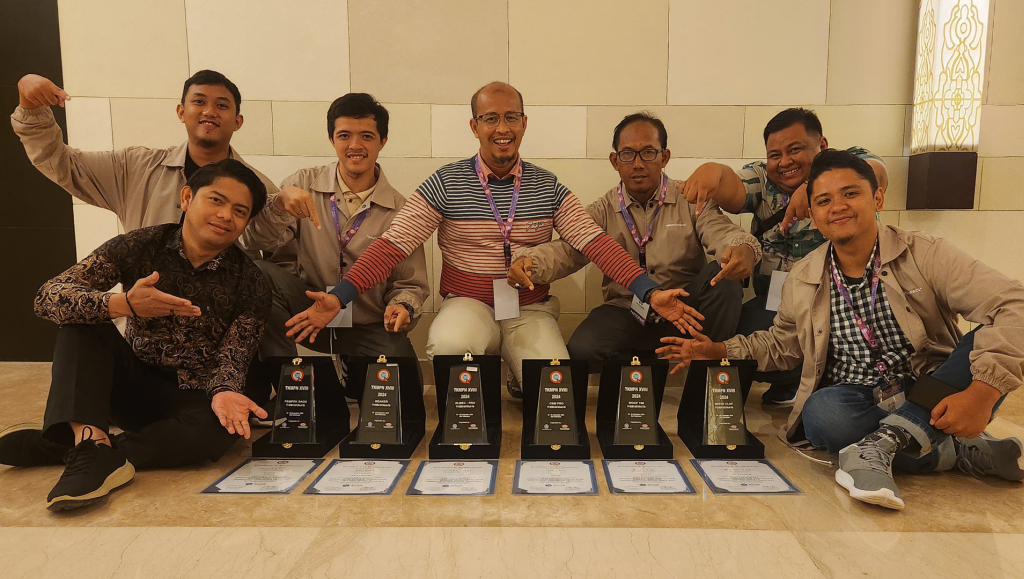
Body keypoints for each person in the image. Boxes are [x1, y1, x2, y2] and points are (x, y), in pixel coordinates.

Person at [658, 149, 1024, 511]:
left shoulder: (926, 253)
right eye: (823, 201)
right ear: (813, 214)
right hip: (860, 396)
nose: (837, 207)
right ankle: (952, 450)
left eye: (850, 194)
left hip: (933, 383)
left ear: (877, 198)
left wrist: (982, 393)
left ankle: (883, 444)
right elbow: (782, 344)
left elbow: (1018, 305)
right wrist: (718, 350)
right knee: (823, 417)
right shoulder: (804, 275)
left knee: (978, 346)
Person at [283, 82, 700, 398]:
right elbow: (393, 245)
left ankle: (520, 376)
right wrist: (340, 297)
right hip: (468, 302)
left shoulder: (547, 185)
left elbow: (595, 242)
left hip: (528, 307)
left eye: (511, 117)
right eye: (490, 118)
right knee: (450, 345)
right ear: (474, 126)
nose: (502, 128)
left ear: (524, 124)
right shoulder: (445, 182)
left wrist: (649, 291)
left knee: (553, 390)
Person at [0, 159, 272, 511]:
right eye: (216, 200)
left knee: (217, 432)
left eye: (239, 211)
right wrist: (121, 304)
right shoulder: (140, 246)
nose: (225, 215)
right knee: (80, 323)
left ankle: (84, 447)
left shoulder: (251, 280)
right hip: (134, 386)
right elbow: (48, 297)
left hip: (196, 396)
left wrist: (224, 391)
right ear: (187, 198)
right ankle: (90, 445)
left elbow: (235, 354)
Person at [509, 112, 760, 368]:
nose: (638, 164)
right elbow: (567, 250)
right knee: (583, 349)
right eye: (628, 154)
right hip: (627, 308)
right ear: (615, 161)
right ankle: (644, 375)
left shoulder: (689, 199)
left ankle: (707, 373)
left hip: (685, 308)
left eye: (648, 152)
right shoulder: (602, 210)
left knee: (724, 277)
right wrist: (530, 262)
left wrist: (742, 247)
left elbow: (721, 231)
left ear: (664, 157)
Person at [680, 108, 888, 404]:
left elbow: (875, 171)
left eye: (795, 150)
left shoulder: (847, 166)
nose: (785, 161)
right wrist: (713, 171)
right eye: (775, 155)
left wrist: (815, 186)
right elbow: (733, 188)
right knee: (738, 333)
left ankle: (829, 382)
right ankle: (786, 383)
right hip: (779, 304)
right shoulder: (763, 179)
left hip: (843, 303)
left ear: (822, 145)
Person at [240, 93, 429, 361]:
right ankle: (285, 374)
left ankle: (353, 368)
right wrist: (278, 205)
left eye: (366, 136)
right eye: (344, 136)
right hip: (307, 308)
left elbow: (409, 282)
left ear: (382, 141)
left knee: (404, 372)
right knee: (260, 272)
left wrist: (402, 306)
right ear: (332, 139)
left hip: (365, 324)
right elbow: (255, 242)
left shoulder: (401, 210)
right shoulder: (301, 185)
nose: (355, 145)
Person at [11, 70, 277, 230]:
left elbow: (279, 264)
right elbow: (62, 163)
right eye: (199, 102)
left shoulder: (261, 188)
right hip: (142, 306)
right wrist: (30, 105)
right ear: (181, 112)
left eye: (221, 105)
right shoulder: (135, 167)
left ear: (238, 121)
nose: (209, 111)